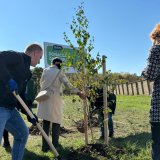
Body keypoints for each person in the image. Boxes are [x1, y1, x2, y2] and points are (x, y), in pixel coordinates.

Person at [0, 43, 43, 160]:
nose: (39, 62)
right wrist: (8, 79)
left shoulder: (27, 73)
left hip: (11, 109)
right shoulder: (17, 57)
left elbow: (21, 96)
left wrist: (29, 114)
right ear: (35, 53)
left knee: (22, 134)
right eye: (40, 57)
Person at [37, 57, 85, 152]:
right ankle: (55, 145)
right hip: (55, 100)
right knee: (56, 122)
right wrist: (79, 93)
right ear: (59, 64)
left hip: (45, 98)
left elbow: (41, 83)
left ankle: (44, 147)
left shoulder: (45, 70)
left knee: (45, 124)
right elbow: (68, 85)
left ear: (52, 63)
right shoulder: (60, 72)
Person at [142, 23, 160, 160]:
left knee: (157, 145)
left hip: (159, 110)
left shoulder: (156, 50)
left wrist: (143, 72)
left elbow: (150, 74)